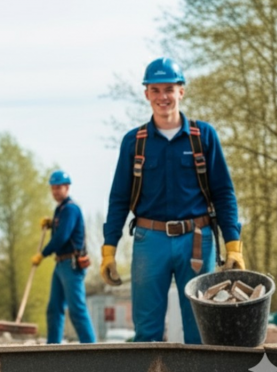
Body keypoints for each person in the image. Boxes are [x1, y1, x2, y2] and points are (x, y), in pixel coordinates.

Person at [100, 57, 245, 344]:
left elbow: (224, 193)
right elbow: (118, 200)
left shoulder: (203, 137)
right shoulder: (134, 142)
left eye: (169, 88)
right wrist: (109, 249)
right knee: (147, 331)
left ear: (182, 91)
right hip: (148, 242)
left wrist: (233, 245)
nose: (162, 97)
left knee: (199, 329)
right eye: (155, 90)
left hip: (196, 241)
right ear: (146, 94)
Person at [32, 170, 96, 344]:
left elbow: (62, 237)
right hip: (61, 264)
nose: (55, 191)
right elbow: (61, 229)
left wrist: (42, 254)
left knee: (76, 309)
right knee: (54, 309)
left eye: (58, 187)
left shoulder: (70, 209)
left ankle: (94, 352)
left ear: (67, 187)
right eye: (53, 188)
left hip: (72, 264)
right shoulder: (60, 210)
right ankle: (52, 350)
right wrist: (52, 223)